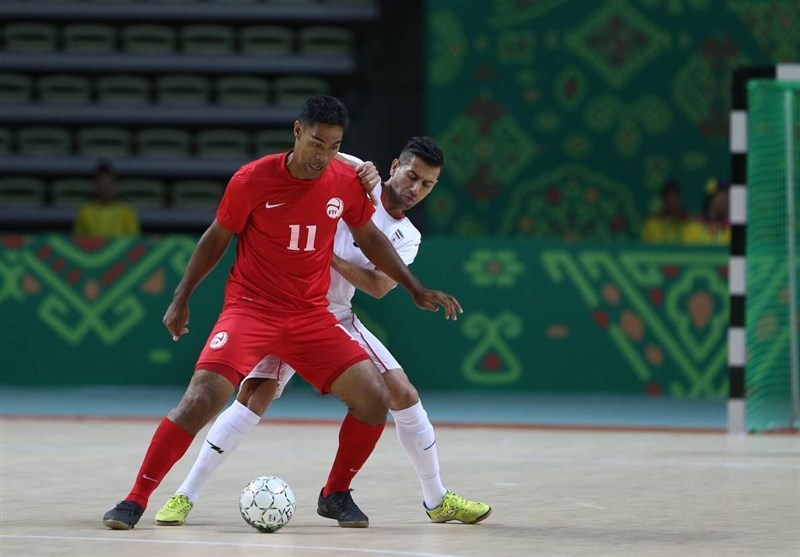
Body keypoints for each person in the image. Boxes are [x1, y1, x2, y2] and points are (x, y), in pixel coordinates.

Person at [102, 96, 462, 530]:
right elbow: (216, 238)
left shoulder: (344, 182)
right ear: (297, 132)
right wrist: (182, 297)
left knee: (375, 399)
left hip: (311, 316)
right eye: (316, 143)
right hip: (251, 310)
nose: (323, 156)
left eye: (333, 146)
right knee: (203, 398)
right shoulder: (253, 179)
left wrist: (414, 287)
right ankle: (135, 499)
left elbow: (370, 238)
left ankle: (335, 493)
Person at [72, 160, 140, 237]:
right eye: (102, 184)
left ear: (115, 186)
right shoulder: (85, 210)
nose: (105, 189)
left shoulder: (126, 210)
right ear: (96, 185)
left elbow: (134, 241)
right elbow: (77, 240)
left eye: (108, 184)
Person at [683, 177, 731, 244]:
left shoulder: (731, 229)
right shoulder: (693, 227)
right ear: (711, 198)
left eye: (728, 196)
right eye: (723, 195)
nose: (728, 200)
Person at [640, 179, 689, 244]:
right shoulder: (651, 226)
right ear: (662, 199)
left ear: (681, 198)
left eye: (675, 195)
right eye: (668, 196)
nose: (672, 200)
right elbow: (643, 251)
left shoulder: (691, 225)